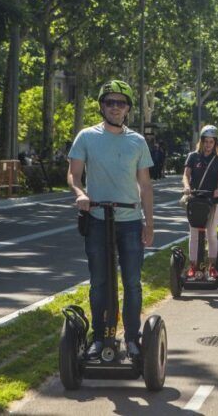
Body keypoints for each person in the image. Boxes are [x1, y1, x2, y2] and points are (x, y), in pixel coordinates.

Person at [68, 79, 154, 360]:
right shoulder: (86, 137)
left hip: (129, 219)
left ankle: (131, 338)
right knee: (99, 282)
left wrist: (149, 223)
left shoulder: (137, 141)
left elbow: (145, 185)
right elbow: (74, 174)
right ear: (102, 107)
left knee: (131, 282)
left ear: (128, 108)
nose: (115, 108)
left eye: (120, 103)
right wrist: (80, 193)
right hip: (96, 218)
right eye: (110, 102)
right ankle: (99, 338)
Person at [182, 125, 218, 280]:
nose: (208, 145)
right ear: (201, 141)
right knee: (193, 234)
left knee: (211, 234)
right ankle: (193, 266)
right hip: (195, 200)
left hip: (212, 201)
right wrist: (187, 187)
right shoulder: (193, 156)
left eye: (211, 142)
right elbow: (186, 175)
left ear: (215, 143)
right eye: (206, 141)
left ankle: (212, 266)